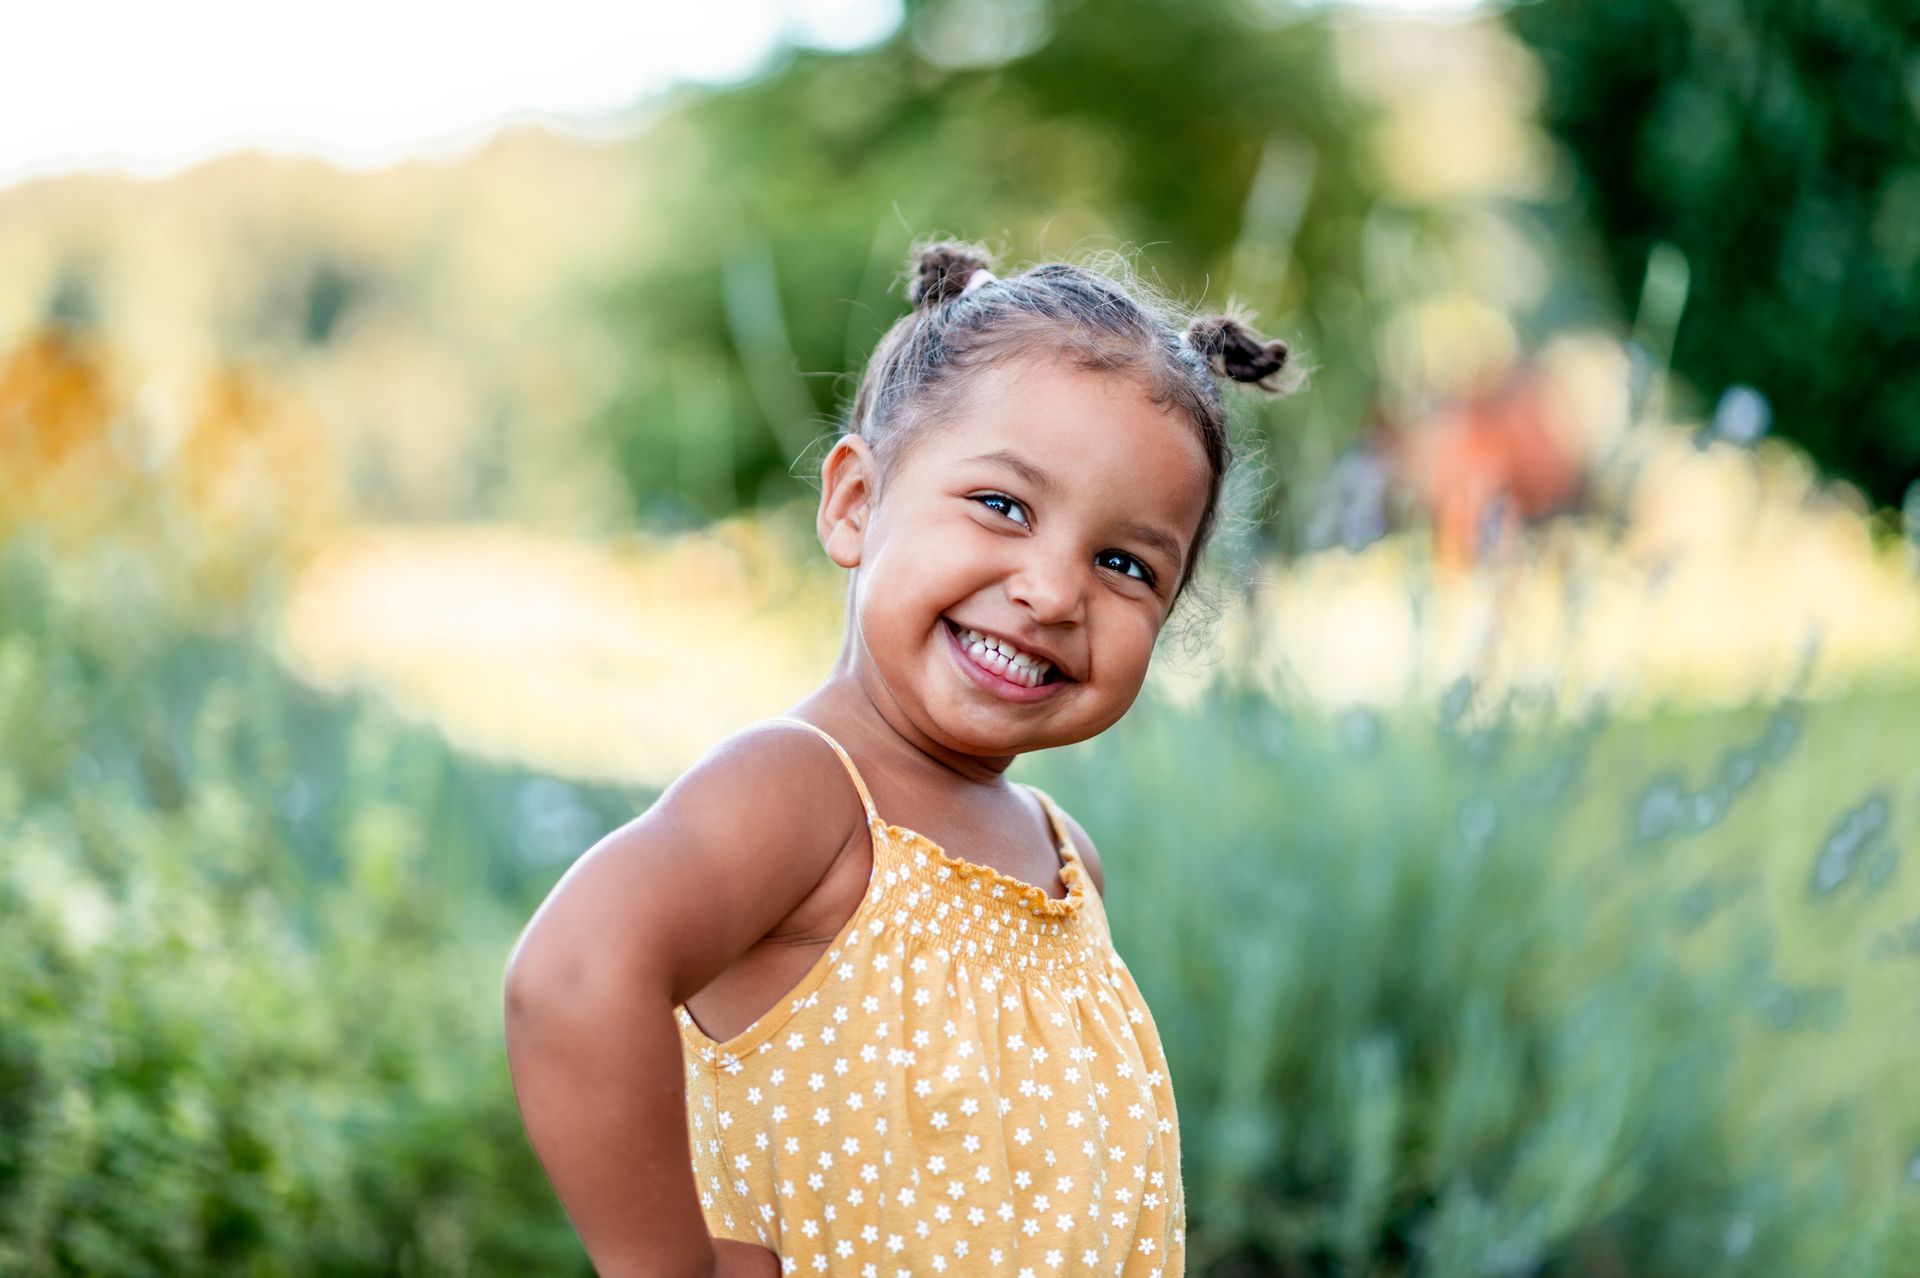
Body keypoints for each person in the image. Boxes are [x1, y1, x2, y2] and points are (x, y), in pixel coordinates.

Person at [503, 239, 1298, 1277]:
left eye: (1123, 563)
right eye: (1003, 506)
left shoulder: (1067, 865)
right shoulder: (802, 793)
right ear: (854, 504)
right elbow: (572, 975)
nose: (1054, 593)